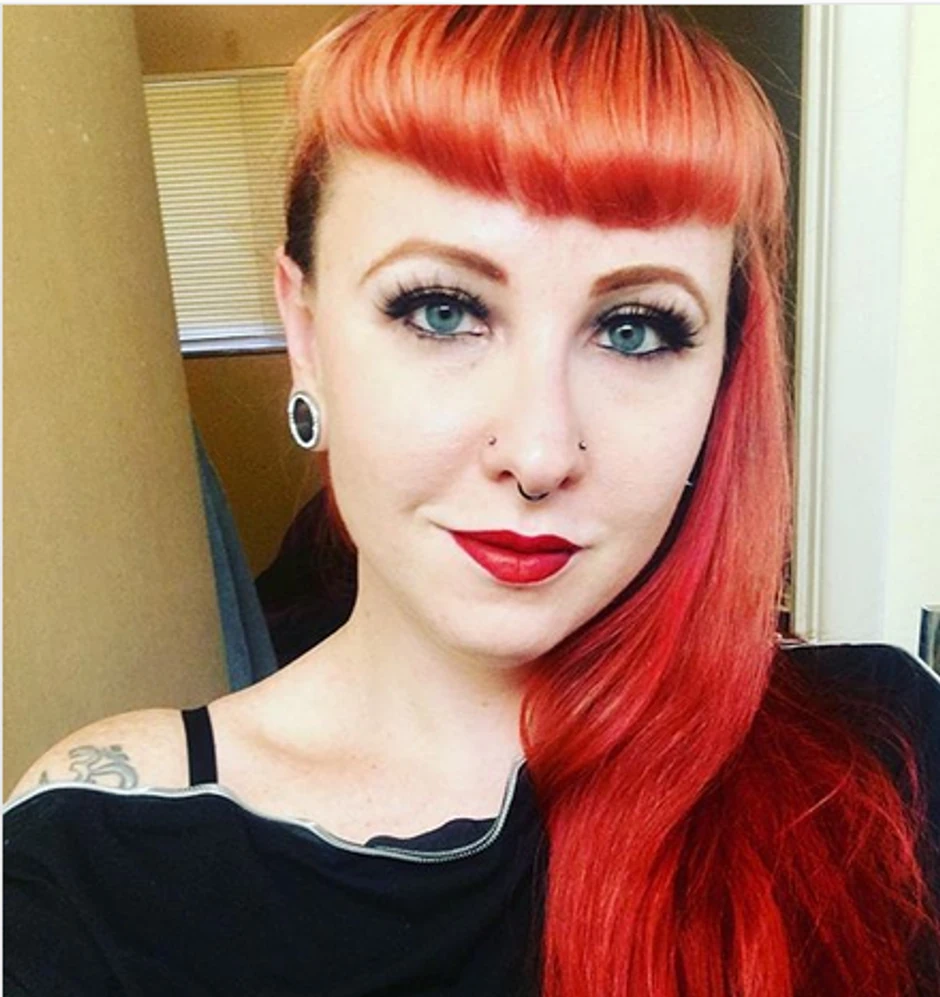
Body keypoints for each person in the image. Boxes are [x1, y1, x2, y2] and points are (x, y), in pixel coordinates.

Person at [5, 7, 940, 996]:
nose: (538, 454)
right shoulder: (93, 857)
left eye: (634, 330)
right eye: (442, 310)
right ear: (308, 333)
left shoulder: (881, 752)